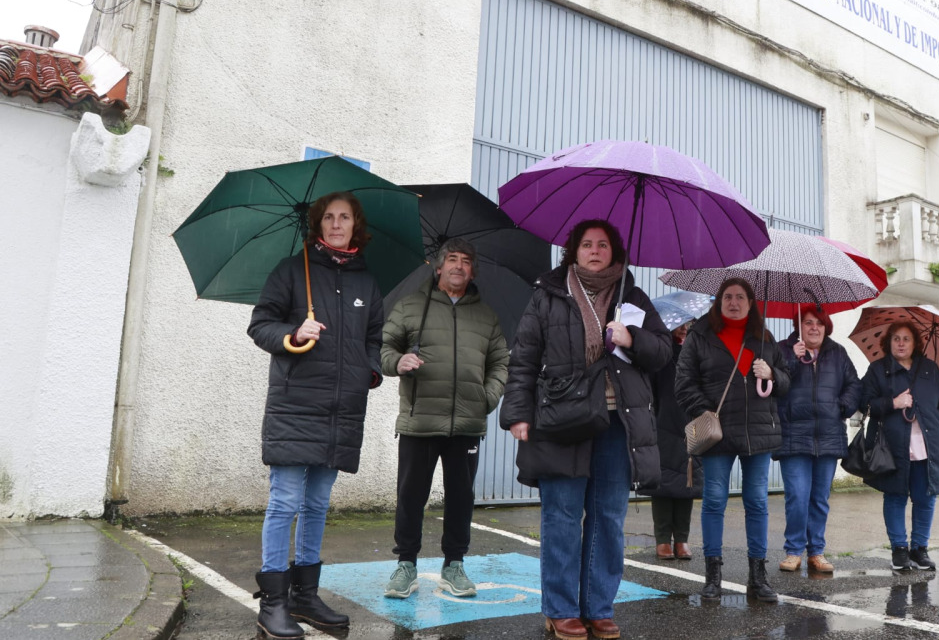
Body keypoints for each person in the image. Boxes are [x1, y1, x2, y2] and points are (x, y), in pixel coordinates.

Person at [500, 219, 670, 640]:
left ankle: (598, 607)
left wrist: (632, 338)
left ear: (615, 252)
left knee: (608, 517)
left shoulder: (633, 298)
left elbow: (664, 354)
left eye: (604, 245)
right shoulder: (548, 296)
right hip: (560, 419)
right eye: (587, 244)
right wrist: (518, 413)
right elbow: (523, 358)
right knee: (561, 515)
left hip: (617, 423)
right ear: (573, 251)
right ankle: (560, 608)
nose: (595, 251)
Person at [246, 191, 384, 639]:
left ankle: (305, 595)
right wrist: (293, 332)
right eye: (329, 217)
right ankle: (273, 601)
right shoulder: (292, 271)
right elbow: (260, 324)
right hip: (295, 404)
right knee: (285, 500)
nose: (337, 223)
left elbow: (375, 339)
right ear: (318, 223)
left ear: (355, 224)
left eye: (345, 217)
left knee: (318, 504)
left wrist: (371, 370)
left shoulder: (367, 283)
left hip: (342, 410)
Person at [380, 238, 509, 599]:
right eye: (451, 259)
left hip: (467, 424)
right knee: (410, 496)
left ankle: (454, 565)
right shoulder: (410, 307)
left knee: (461, 498)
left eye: (466, 261)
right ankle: (406, 564)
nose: (458, 266)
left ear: (473, 271)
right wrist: (398, 362)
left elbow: (501, 361)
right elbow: (384, 348)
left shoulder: (486, 316)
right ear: (438, 268)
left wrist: (488, 396)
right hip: (420, 422)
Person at [675, 278, 790, 603]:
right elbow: (683, 383)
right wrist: (708, 412)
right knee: (714, 501)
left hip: (759, 432)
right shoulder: (700, 336)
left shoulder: (766, 339)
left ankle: (758, 577)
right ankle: (713, 577)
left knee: (756, 502)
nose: (734, 302)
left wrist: (772, 375)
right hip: (718, 435)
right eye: (728, 296)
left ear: (751, 303)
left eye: (741, 297)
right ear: (719, 301)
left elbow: (785, 382)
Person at [859, 321, 939, 572]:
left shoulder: (930, 369)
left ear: (915, 343)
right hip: (892, 445)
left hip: (926, 445)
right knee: (895, 495)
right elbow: (864, 402)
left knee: (925, 497)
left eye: (906, 339)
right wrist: (893, 403)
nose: (901, 343)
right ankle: (899, 550)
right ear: (888, 343)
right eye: (896, 339)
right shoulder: (878, 370)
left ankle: (919, 549)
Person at [776, 305, 861, 575]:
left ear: (826, 327)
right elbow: (774, 386)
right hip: (793, 435)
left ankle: (817, 552)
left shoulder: (837, 353)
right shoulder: (782, 350)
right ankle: (793, 551)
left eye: (819, 323)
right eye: (808, 322)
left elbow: (854, 385)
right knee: (797, 496)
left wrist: (841, 406)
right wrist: (791, 360)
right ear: (798, 326)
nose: (814, 328)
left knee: (820, 498)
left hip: (827, 434)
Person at [638, 319, 700, 561]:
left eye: (688, 325)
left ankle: (682, 539)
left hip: (690, 424)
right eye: (680, 324)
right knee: (662, 483)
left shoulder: (695, 353)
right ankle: (663, 540)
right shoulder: (661, 353)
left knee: (688, 482)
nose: (684, 329)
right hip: (662, 423)